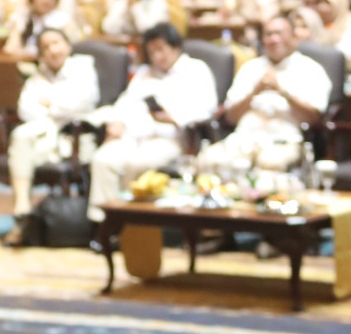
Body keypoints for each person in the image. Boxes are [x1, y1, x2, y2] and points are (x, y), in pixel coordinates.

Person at [86, 24, 218, 223]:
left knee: (138, 163)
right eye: (152, 52)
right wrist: (116, 121)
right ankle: (101, 222)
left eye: (161, 49)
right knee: (103, 159)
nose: (157, 56)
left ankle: (128, 222)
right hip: (133, 135)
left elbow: (208, 108)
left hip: (169, 138)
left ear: (175, 47)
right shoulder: (144, 73)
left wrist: (174, 118)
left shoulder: (196, 70)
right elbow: (125, 101)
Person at [3, 29, 100, 246]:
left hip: (74, 138)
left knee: (21, 141)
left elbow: (82, 103)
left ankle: (21, 220)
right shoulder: (38, 75)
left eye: (56, 43)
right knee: (20, 138)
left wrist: (50, 104)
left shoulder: (83, 68)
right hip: (43, 136)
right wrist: (53, 109)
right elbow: (25, 108)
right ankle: (22, 208)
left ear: (68, 45)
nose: (52, 50)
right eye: (45, 47)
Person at [201, 15, 331, 174]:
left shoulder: (311, 70)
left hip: (283, 142)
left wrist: (283, 92)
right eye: (268, 34)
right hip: (244, 140)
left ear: (294, 38)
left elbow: (314, 118)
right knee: (208, 159)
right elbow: (231, 117)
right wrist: (255, 92)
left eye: (279, 33)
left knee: (269, 164)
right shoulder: (250, 68)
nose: (274, 39)